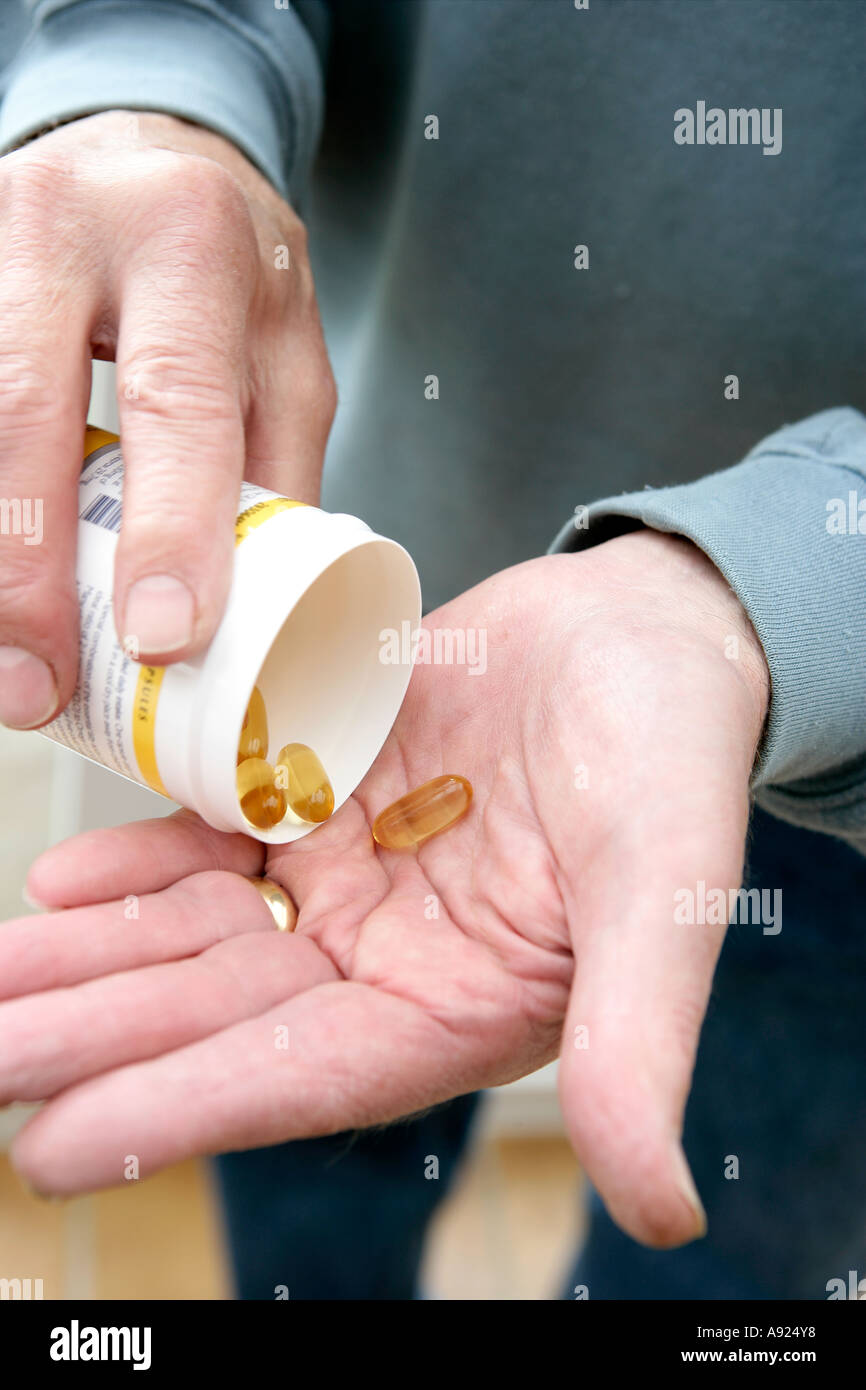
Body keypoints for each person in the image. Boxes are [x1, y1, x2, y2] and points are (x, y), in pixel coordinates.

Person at [0, 0, 864, 1300]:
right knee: (308, 1187)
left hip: (833, 753)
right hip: (366, 625)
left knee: (723, 1260)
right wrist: (145, 93)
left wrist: (767, 588)